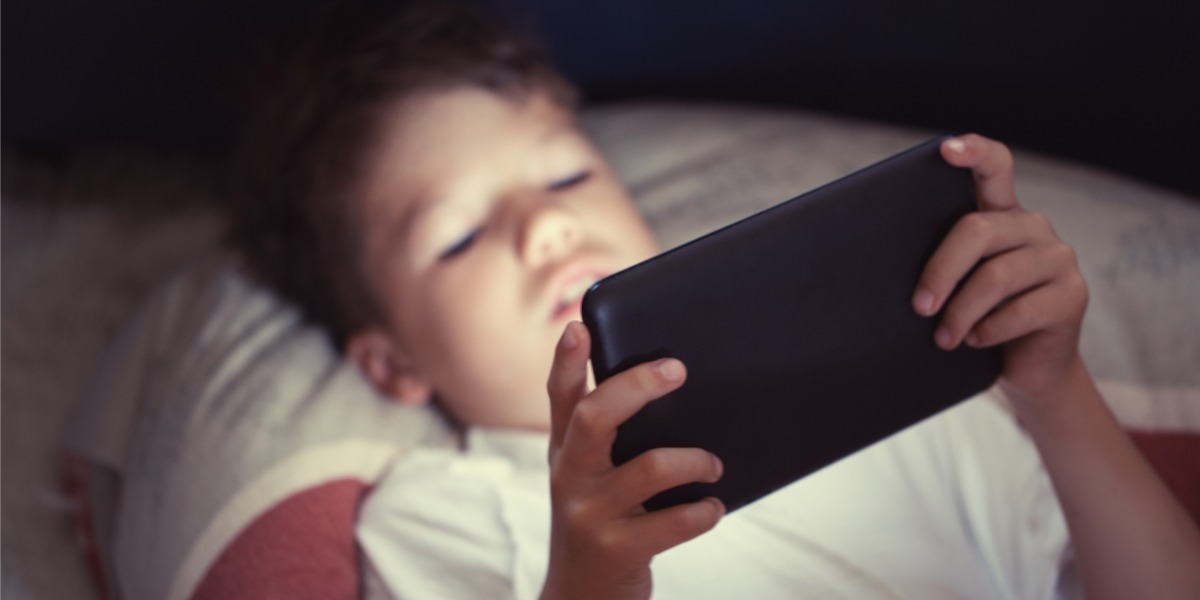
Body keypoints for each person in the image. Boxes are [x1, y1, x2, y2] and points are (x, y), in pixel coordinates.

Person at [228, 2, 1200, 598]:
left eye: (565, 178)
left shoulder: (911, 407)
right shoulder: (438, 514)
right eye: (459, 235)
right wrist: (586, 586)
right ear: (391, 364)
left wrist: (1054, 393)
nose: (545, 230)